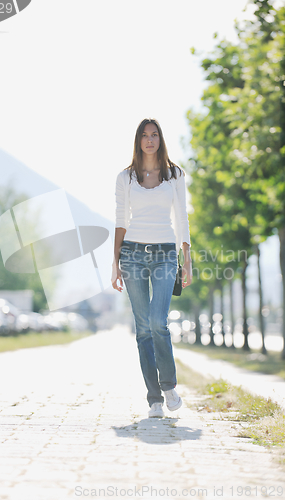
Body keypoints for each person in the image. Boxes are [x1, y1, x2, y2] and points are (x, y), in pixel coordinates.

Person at [111, 118, 192, 418]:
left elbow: (181, 217)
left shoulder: (174, 175)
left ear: (160, 139)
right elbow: (121, 220)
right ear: (138, 140)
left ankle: (169, 385)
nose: (149, 140)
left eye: (154, 134)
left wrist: (187, 260)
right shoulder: (126, 177)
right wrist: (115, 264)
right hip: (131, 254)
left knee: (159, 322)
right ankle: (154, 399)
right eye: (144, 135)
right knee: (143, 329)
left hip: (165, 254)